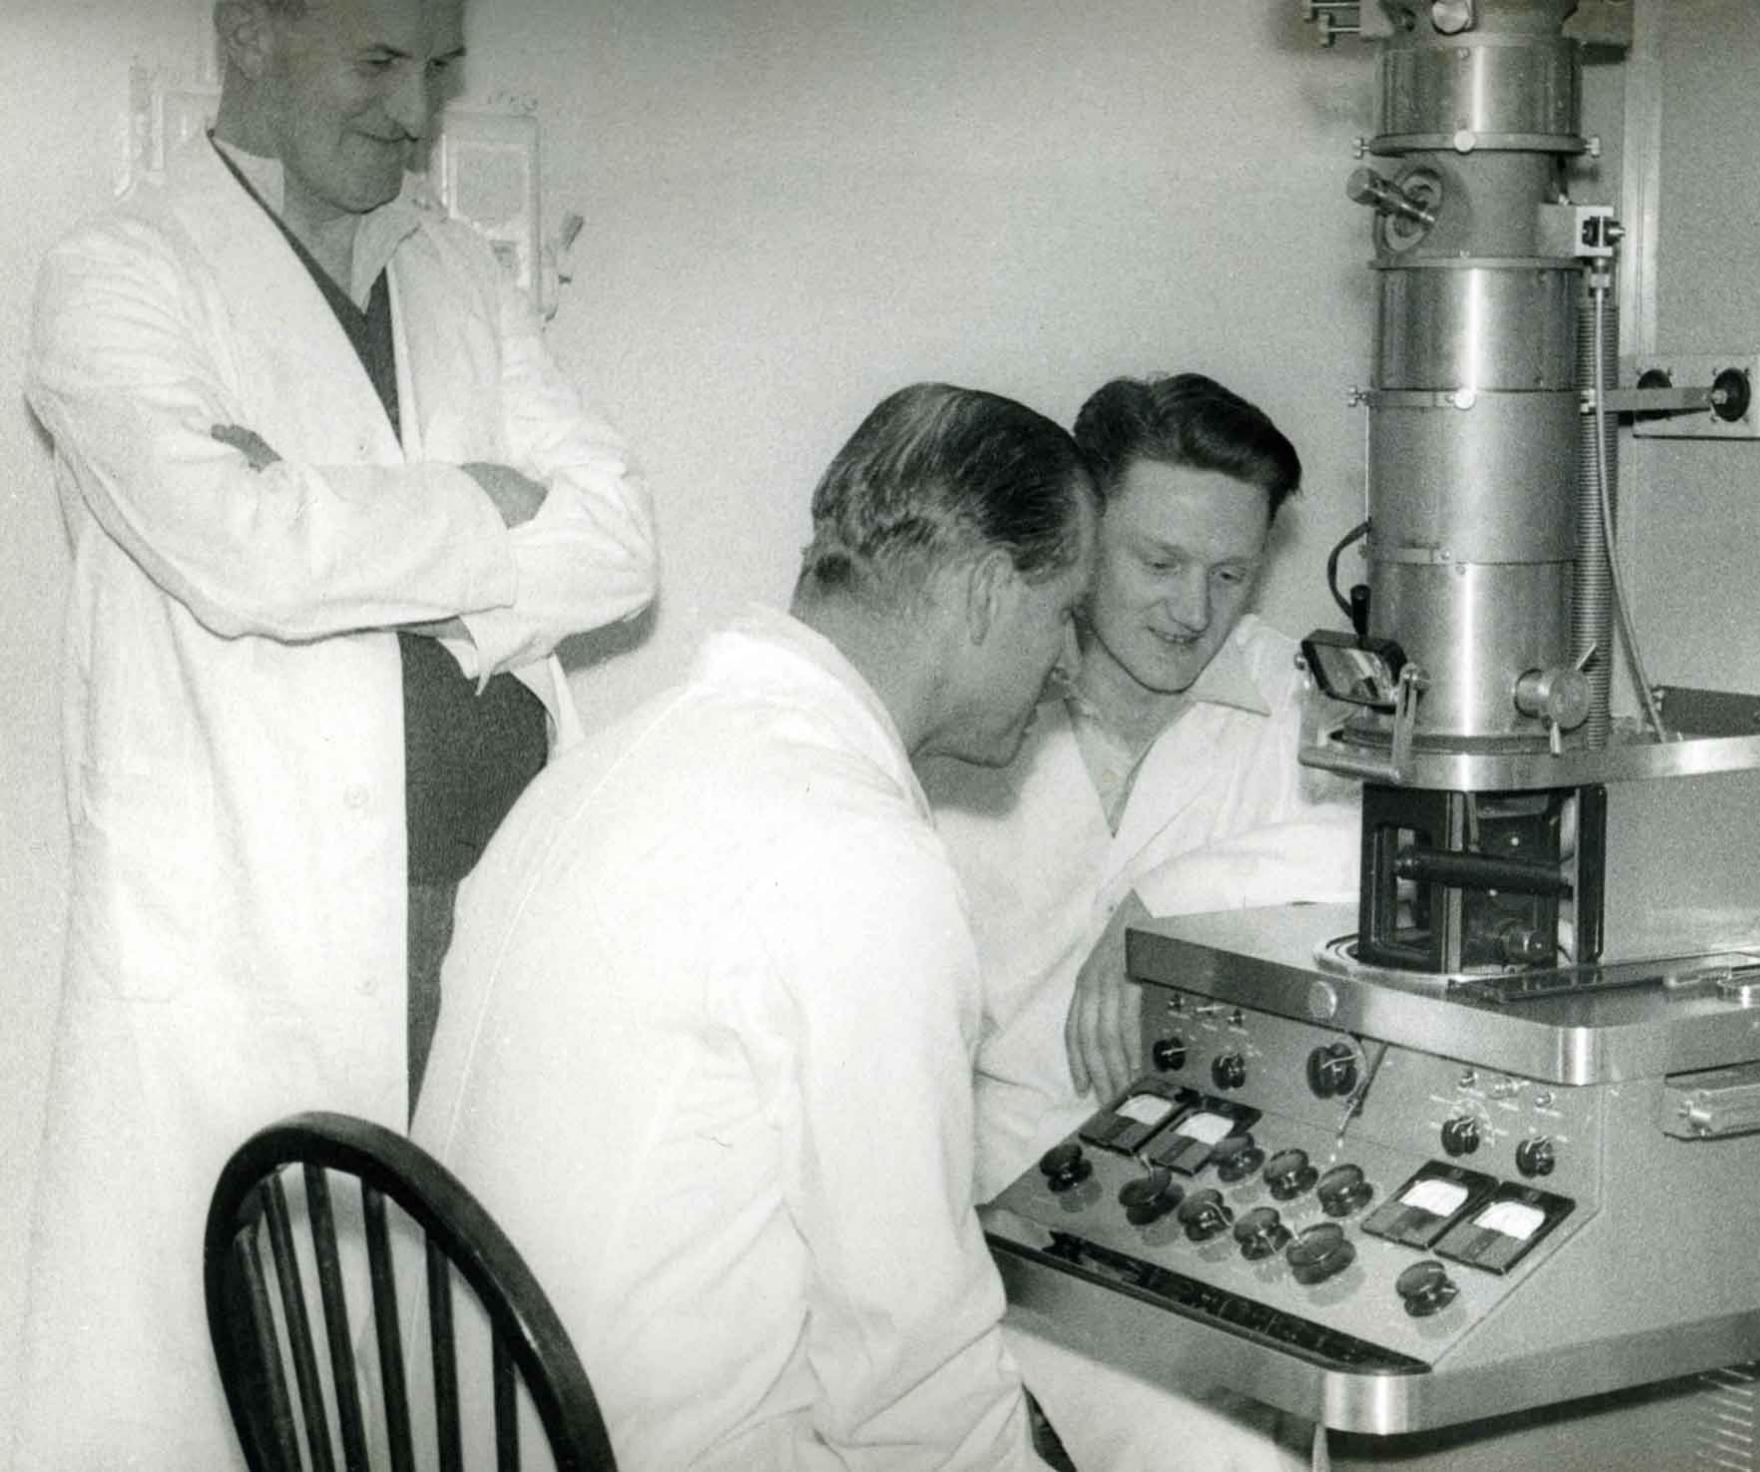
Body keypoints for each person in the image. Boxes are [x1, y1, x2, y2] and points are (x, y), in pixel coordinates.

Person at [13, 0, 655, 1464]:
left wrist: (328, 510)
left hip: (495, 909)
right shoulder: (116, 275)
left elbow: (620, 542)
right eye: (378, 62)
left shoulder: (460, 272)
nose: (416, 114)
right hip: (255, 933)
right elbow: (243, 554)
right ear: (249, 34)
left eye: (439, 69)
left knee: (455, 1377)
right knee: (244, 1385)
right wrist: (489, 501)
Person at [412, 383, 1095, 1470]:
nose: (1069, 666)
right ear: (982, 592)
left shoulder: (602, 767)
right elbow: (915, 1376)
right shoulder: (856, 852)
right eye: (1065, 612)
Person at [922, 373, 1362, 1472]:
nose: (1193, 610)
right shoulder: (977, 708)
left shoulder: (1288, 699)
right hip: (985, 1247)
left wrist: (1162, 903)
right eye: (1158, 563)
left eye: (1229, 573)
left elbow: (1390, 855)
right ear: (1081, 531)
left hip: (1206, 1235)